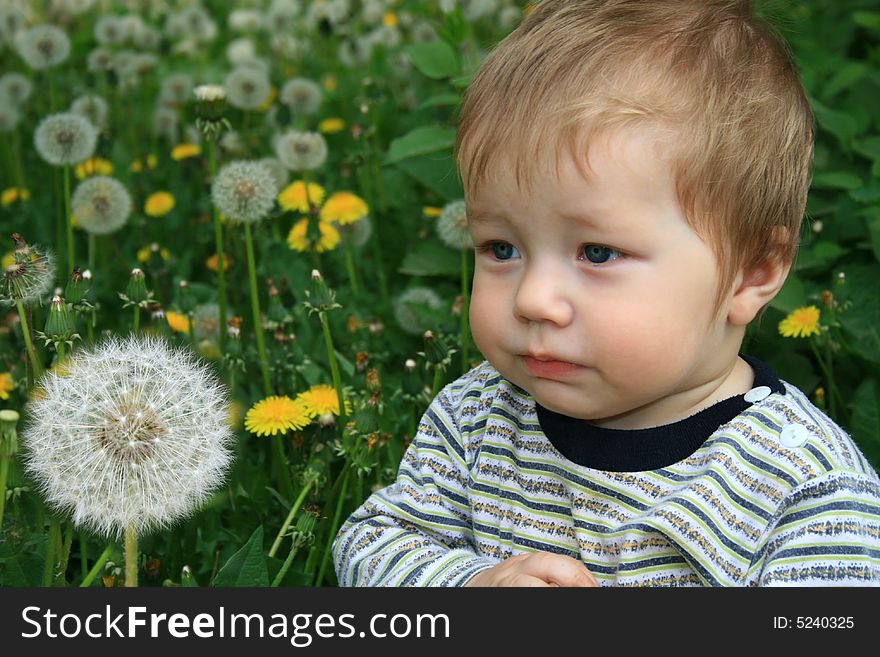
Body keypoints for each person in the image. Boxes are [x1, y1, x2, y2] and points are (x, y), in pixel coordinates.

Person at [333, 0, 880, 586]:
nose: (533, 300)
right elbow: (373, 543)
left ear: (752, 272)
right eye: (501, 249)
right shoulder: (477, 415)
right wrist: (467, 585)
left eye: (597, 253)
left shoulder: (803, 487)